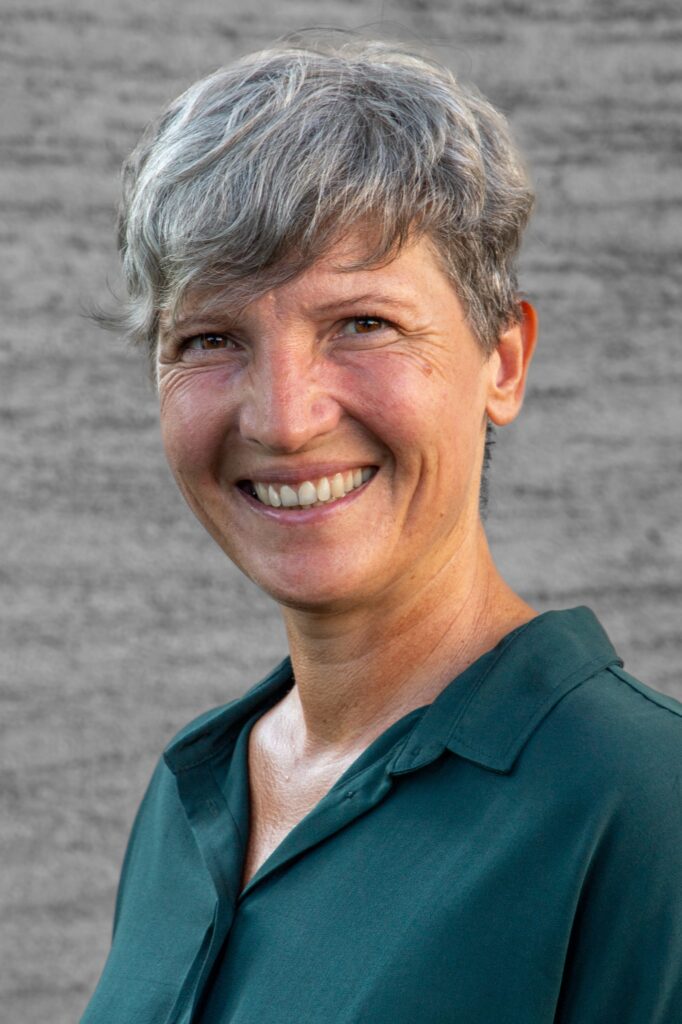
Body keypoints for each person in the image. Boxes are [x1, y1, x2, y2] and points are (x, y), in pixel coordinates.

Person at [81, 35, 682, 1024]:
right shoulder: (191, 795)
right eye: (209, 338)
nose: (282, 417)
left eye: (361, 323)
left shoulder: (641, 806)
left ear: (502, 363)